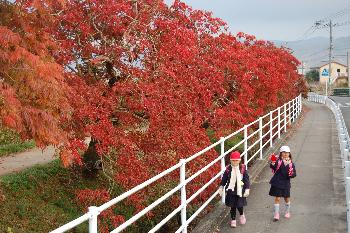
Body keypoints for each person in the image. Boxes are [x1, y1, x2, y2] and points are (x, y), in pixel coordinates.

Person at [219, 151, 250, 228]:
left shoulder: (242, 169)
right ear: (230, 160)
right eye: (233, 160)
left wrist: (247, 189)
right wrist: (221, 187)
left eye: (236, 160)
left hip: (240, 190)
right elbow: (224, 179)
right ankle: (233, 220)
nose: (235, 162)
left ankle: (242, 215)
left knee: (239, 205)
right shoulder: (228, 169)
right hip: (231, 190)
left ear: (239, 160)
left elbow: (246, 180)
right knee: (232, 206)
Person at [269, 145, 297, 221]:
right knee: (277, 198)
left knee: (286, 199)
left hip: (285, 184)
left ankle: (287, 211)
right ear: (281, 153)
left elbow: (294, 174)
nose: (285, 154)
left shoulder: (291, 164)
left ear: (289, 154)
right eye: (284, 152)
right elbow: (273, 167)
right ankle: (276, 214)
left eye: (287, 153)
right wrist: (272, 163)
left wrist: (291, 174)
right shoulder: (278, 161)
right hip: (277, 182)